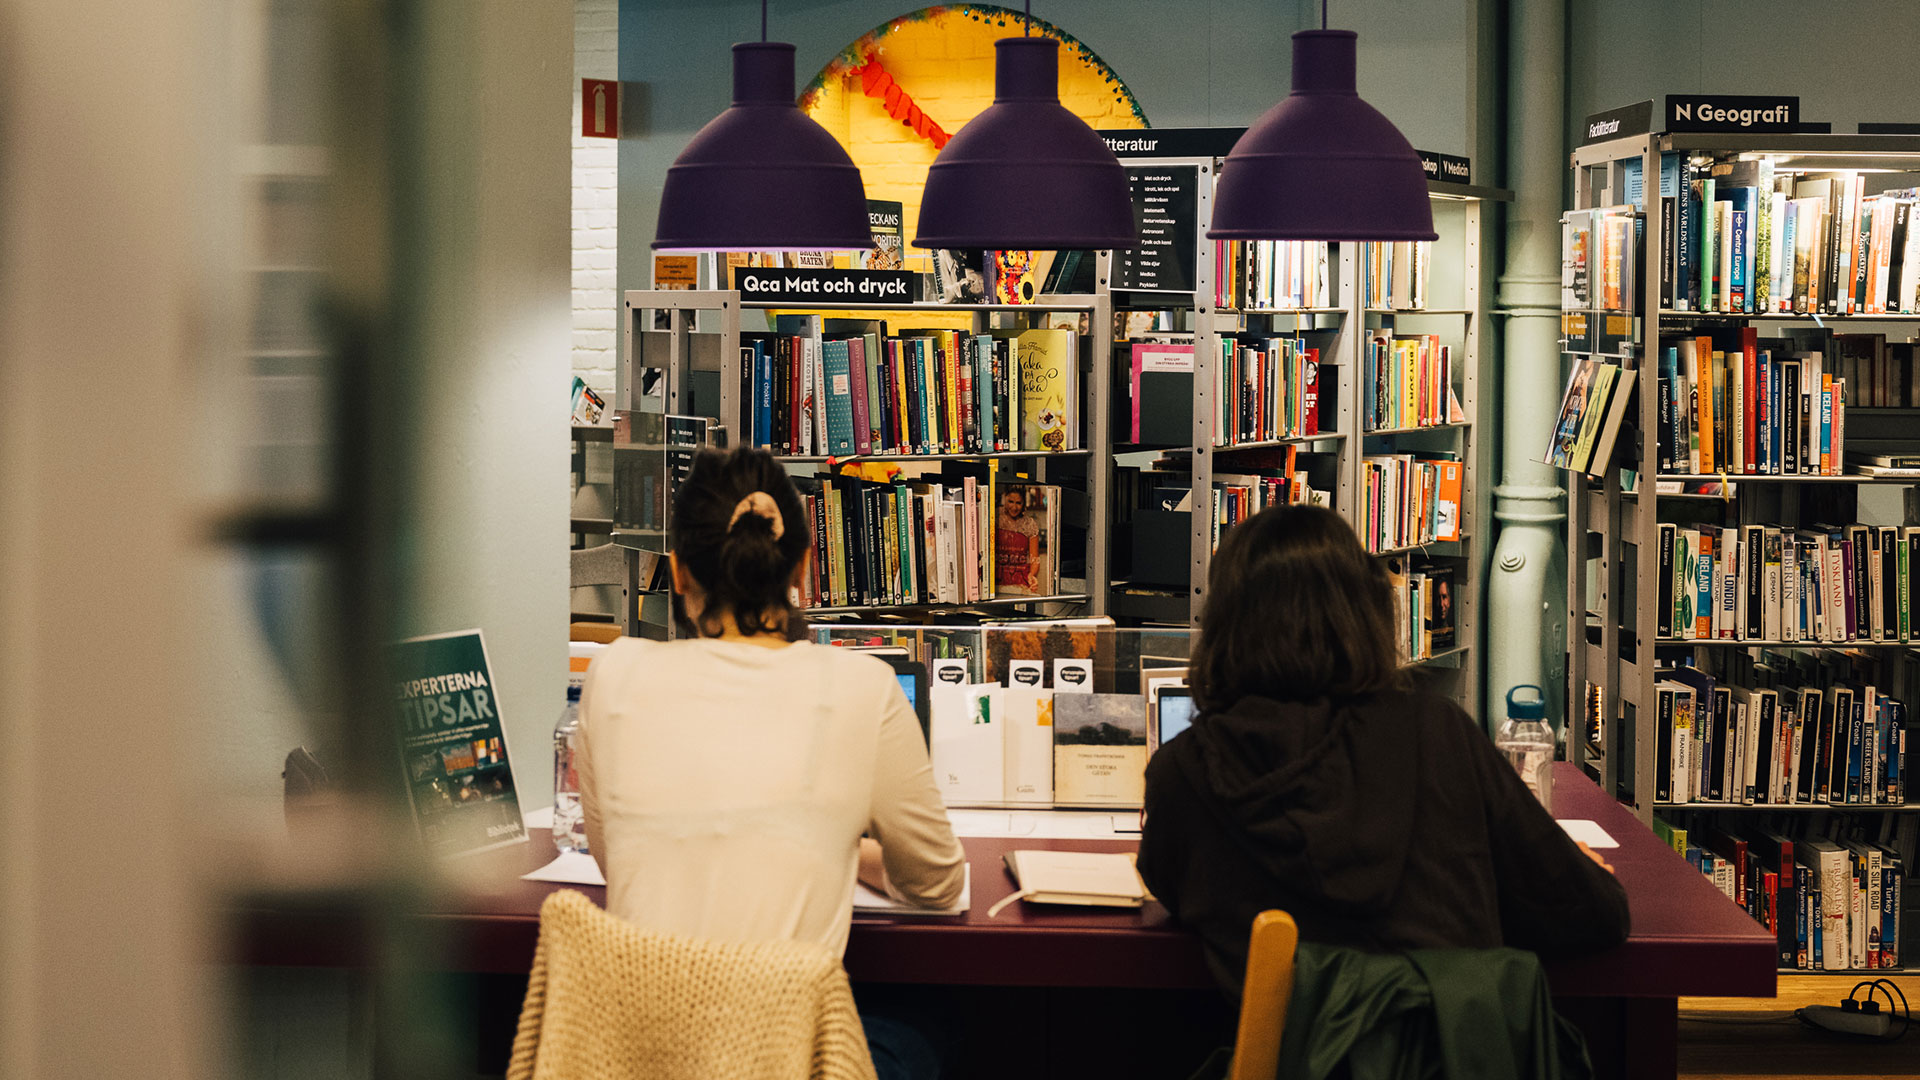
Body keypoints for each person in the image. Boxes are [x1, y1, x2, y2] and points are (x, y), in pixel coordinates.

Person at [577, 446, 964, 1079]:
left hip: (636, 1060)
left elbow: (614, 859)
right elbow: (937, 883)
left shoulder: (611, 674)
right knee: (933, 1020)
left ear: (676, 572)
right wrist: (848, 844)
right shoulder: (864, 687)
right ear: (804, 566)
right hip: (785, 1060)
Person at [1137, 504, 1629, 995]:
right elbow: (1594, 915)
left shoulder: (1185, 772)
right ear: (1365, 614)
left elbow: (1173, 889)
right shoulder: (1438, 733)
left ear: (1223, 626)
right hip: (1453, 1037)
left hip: (1288, 1042)